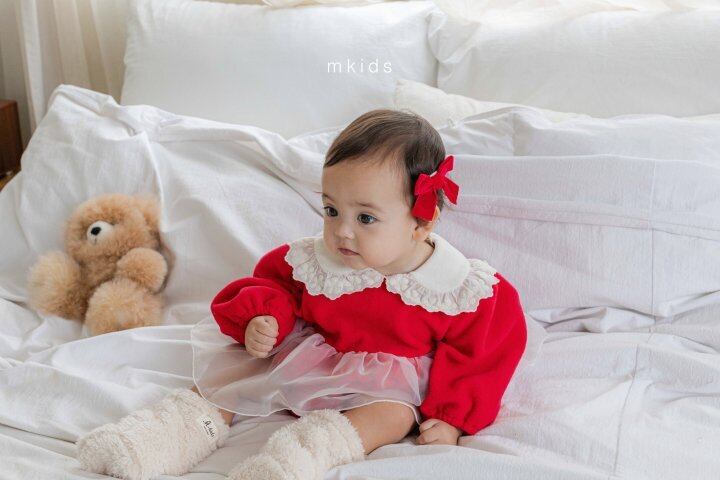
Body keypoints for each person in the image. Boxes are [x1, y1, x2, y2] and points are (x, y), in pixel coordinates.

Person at [77, 109, 540, 480]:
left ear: (421, 221)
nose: (341, 231)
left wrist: (452, 416)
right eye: (331, 210)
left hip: (381, 384)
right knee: (231, 374)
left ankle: (296, 458)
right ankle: (166, 433)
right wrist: (265, 318)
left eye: (365, 218)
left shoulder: (458, 287)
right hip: (307, 355)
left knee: (393, 416)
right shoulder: (312, 262)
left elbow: (483, 352)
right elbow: (274, 284)